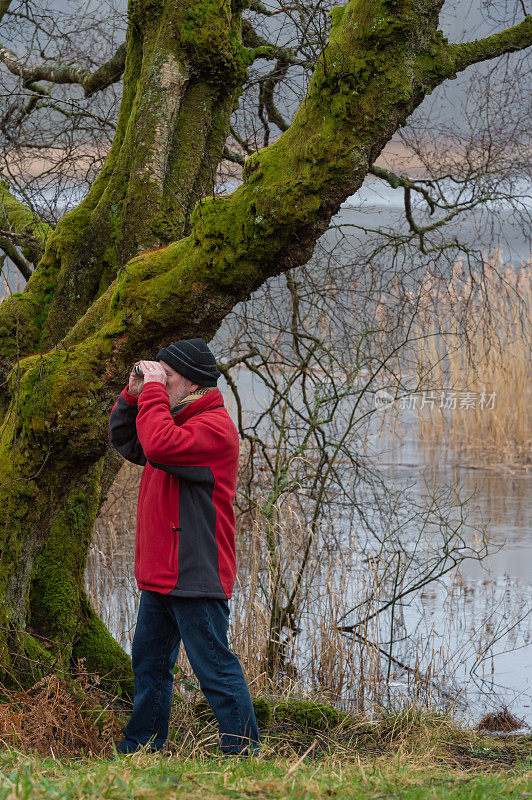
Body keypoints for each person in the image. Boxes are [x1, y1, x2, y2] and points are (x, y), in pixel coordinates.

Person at [108, 338, 261, 756]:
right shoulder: (172, 421)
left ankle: (243, 750)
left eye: (166, 376)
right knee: (150, 664)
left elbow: (159, 445)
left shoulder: (215, 431)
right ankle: (141, 746)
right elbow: (128, 440)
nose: (158, 380)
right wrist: (133, 394)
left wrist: (152, 394)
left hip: (196, 570)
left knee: (213, 667)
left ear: (191, 383)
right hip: (161, 572)